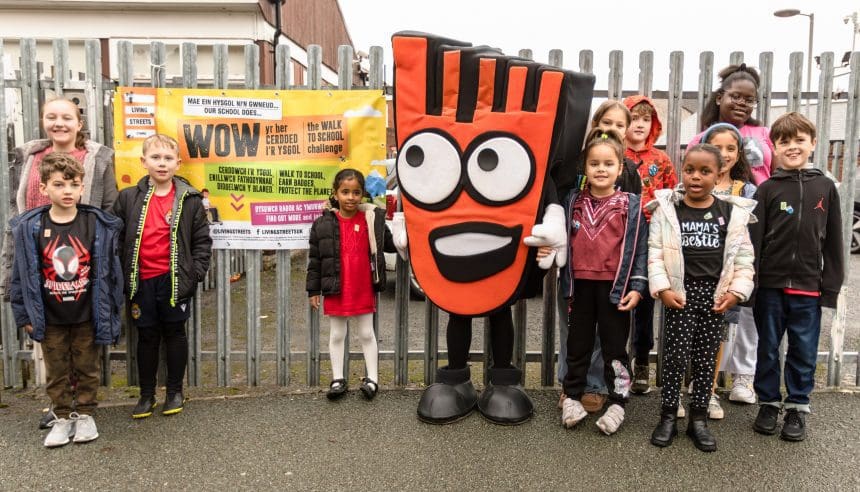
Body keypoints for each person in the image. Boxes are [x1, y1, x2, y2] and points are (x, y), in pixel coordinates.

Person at [0, 98, 117, 429]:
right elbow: (15, 213)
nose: (59, 123)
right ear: (43, 121)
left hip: (82, 266)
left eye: (67, 117)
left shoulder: (97, 159)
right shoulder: (30, 159)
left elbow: (108, 209)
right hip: (41, 265)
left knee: (84, 350)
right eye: (51, 117)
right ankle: (61, 409)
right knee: (53, 350)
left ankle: (83, 410)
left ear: (79, 123)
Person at [647, 144, 756, 452]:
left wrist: (736, 291)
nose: (696, 177)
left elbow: (744, 258)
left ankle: (698, 419)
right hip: (680, 295)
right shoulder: (668, 210)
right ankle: (668, 415)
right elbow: (655, 254)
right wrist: (663, 288)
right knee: (675, 357)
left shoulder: (732, 213)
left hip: (715, 296)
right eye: (690, 170)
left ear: (719, 173)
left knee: (706, 359)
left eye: (705, 171)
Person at [750, 112, 844, 442]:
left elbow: (833, 244)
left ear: (813, 143)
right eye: (784, 141)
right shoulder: (767, 190)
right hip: (770, 288)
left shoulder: (826, 188)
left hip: (808, 287)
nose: (792, 147)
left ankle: (797, 407)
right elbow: (753, 241)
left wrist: (830, 288)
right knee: (769, 347)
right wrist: (752, 284)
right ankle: (768, 403)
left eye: (799, 140)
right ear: (773, 146)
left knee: (803, 350)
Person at [112, 134, 212, 419]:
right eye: (155, 158)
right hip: (141, 282)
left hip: (175, 281)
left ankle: (174, 391)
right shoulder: (128, 197)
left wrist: (194, 275)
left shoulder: (189, 200)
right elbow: (116, 239)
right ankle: (146, 395)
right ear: (143, 162)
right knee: (146, 337)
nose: (162, 163)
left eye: (168, 158)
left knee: (175, 334)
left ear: (178, 163)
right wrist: (121, 274)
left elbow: (202, 242)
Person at [557, 129, 648, 435]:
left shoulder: (630, 205)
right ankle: (571, 395)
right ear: (585, 168)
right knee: (578, 344)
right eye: (594, 163)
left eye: (608, 164)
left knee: (614, 348)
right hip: (579, 287)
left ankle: (618, 401)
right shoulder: (573, 201)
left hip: (615, 290)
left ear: (620, 168)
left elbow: (639, 249)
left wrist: (636, 287)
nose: (601, 169)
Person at [307, 168, 395, 401]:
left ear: (362, 194)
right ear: (335, 194)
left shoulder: (370, 219)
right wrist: (313, 289)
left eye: (356, 192)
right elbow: (315, 260)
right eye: (345, 192)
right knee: (337, 334)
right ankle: (338, 379)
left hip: (362, 286)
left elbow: (390, 244)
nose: (350, 197)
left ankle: (373, 379)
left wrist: (407, 232)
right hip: (336, 287)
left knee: (367, 333)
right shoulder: (322, 224)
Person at [702, 123, 759, 419]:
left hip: (725, 276)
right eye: (717, 147)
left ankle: (709, 391)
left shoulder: (746, 190)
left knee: (716, 337)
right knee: (687, 335)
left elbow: (750, 240)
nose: (723, 154)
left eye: (730, 148)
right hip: (694, 274)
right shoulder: (693, 184)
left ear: (739, 154)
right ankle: (691, 388)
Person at [623, 95, 678, 397]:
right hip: (618, 237)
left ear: (653, 124)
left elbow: (672, 199)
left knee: (644, 301)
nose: (639, 124)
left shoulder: (661, 160)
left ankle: (641, 360)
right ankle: (616, 362)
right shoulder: (613, 154)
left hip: (650, 236)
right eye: (633, 118)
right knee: (618, 301)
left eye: (646, 119)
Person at [688, 64, 774, 185]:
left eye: (749, 100)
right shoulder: (700, 140)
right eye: (736, 97)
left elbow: (780, 178)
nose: (742, 103)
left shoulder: (765, 134)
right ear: (719, 98)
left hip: (763, 203)